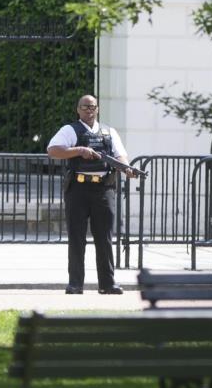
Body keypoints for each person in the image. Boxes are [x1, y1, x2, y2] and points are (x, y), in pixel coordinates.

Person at [47, 94, 136, 295]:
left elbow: (120, 154)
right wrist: (79, 150)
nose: (89, 110)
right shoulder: (70, 130)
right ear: (78, 110)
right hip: (78, 189)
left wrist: (126, 168)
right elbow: (53, 150)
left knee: (104, 238)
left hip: (104, 190)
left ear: (98, 109)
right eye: (85, 107)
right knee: (76, 238)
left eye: (93, 107)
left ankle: (107, 283)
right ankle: (76, 283)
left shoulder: (109, 131)